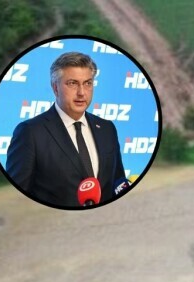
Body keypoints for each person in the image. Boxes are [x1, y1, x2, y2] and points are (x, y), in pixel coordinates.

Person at [6, 51, 125, 208]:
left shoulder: (107, 128)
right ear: (55, 88)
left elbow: (118, 183)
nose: (81, 92)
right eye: (72, 83)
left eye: (88, 83)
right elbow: (17, 197)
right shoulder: (30, 132)